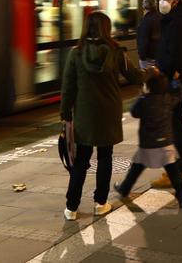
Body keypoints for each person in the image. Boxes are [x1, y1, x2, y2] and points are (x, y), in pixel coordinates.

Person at [60, 12, 141, 220]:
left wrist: (65, 114)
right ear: (107, 28)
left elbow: (68, 88)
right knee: (105, 158)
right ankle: (101, 203)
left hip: (84, 116)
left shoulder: (76, 53)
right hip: (108, 114)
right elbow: (135, 77)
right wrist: (154, 72)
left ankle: (72, 208)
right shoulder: (116, 52)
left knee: (80, 162)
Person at [113, 67, 182, 208]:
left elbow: (134, 113)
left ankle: (124, 188)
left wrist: (141, 95)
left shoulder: (144, 101)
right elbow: (179, 95)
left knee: (135, 169)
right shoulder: (168, 99)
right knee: (174, 174)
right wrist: (176, 81)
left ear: (147, 86)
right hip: (166, 144)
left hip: (147, 144)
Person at [150, 0, 182, 189]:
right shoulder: (175, 19)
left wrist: (165, 72)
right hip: (175, 80)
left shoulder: (177, 22)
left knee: (173, 127)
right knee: (176, 125)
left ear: (175, 1)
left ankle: (177, 171)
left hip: (172, 82)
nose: (161, 2)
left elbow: (175, 54)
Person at [136, 0, 160, 68]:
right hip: (160, 55)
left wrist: (142, 56)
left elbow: (144, 41)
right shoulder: (160, 17)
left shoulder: (145, 22)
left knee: (149, 77)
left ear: (144, 7)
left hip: (149, 57)